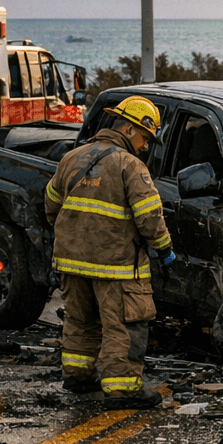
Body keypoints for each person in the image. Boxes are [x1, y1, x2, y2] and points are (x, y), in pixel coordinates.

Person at [45, 96, 173, 410]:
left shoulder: (71, 158)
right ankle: (123, 390)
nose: (145, 146)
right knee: (124, 324)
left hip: (71, 261)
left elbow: (50, 205)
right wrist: (164, 249)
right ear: (129, 129)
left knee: (80, 319)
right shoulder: (130, 166)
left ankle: (77, 375)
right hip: (114, 266)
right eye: (145, 137)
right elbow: (149, 218)